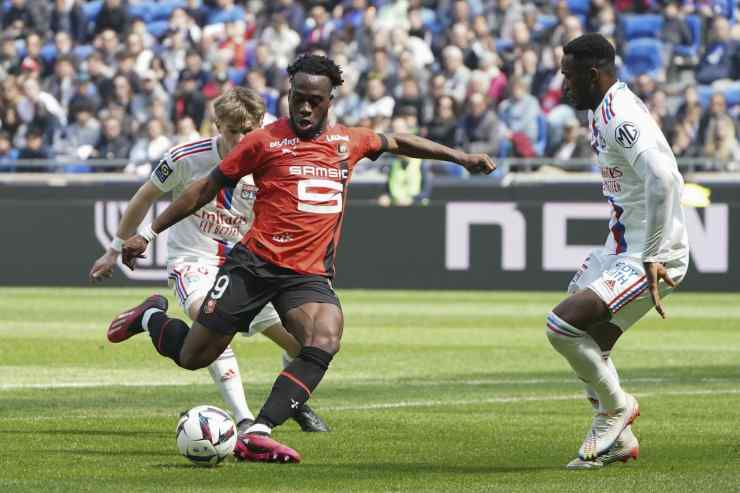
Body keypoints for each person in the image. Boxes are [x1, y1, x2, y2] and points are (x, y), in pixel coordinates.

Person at [109, 54, 494, 464]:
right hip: (253, 266)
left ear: (330, 101)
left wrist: (461, 158)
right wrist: (147, 234)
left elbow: (399, 142)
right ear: (289, 94)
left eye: (315, 100)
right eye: (298, 99)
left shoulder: (349, 141)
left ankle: (258, 430)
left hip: (306, 276)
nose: (305, 108)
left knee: (323, 340)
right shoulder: (263, 141)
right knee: (193, 357)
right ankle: (150, 317)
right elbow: (204, 189)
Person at [90, 87, 330, 434]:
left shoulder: (273, 160)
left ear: (260, 125)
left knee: (303, 344)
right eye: (233, 131)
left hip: (249, 265)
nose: (241, 139)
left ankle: (295, 402)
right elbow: (145, 196)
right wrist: (114, 249)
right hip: (194, 259)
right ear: (217, 125)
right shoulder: (185, 157)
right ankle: (244, 420)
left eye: (248, 130)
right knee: (213, 325)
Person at [554, 33, 689, 469]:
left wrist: (652, 253)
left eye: (569, 76)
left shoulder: (618, 115)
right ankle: (620, 440)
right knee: (588, 340)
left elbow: (664, 178)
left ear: (593, 75)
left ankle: (616, 410)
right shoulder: (602, 108)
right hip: (620, 246)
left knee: (562, 325)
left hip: (651, 255)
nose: (564, 85)